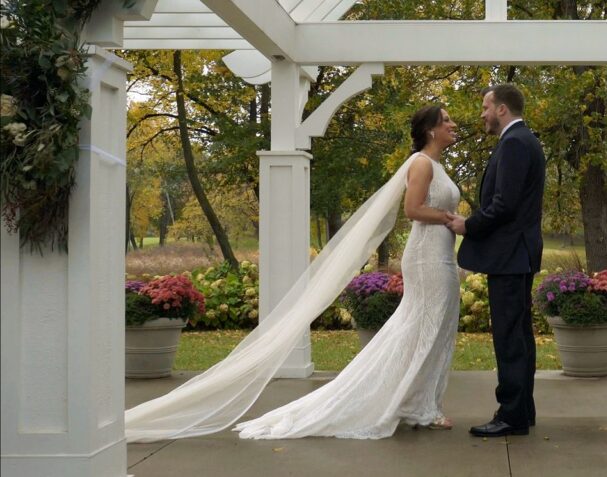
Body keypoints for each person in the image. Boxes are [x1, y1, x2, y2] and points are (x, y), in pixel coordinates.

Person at [125, 105, 464, 441]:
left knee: (432, 329)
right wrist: (451, 219)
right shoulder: (421, 163)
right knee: (425, 328)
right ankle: (417, 405)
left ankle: (418, 401)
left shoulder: (436, 164)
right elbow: (412, 209)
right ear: (431, 130)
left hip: (440, 253)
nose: (453, 124)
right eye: (446, 120)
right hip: (427, 257)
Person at [446, 84, 546, 437]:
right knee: (518, 335)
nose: (482, 114)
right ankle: (523, 410)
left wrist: (467, 225)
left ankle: (511, 415)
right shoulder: (523, 141)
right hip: (518, 253)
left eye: (486, 107)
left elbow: (504, 205)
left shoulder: (515, 143)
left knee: (509, 336)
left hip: (510, 254)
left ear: (502, 109)